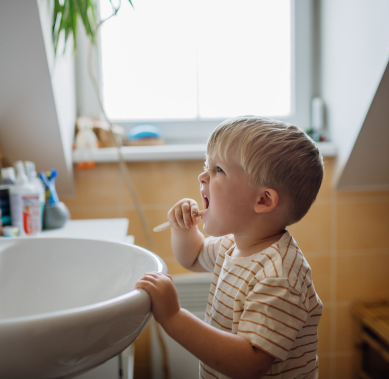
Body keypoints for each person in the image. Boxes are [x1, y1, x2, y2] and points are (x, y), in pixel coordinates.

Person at [135, 116, 325, 379]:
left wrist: (174, 317)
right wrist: (183, 228)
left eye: (218, 170)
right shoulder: (232, 244)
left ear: (263, 199)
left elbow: (249, 362)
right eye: (206, 166)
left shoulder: (280, 276)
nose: (203, 176)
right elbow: (193, 256)